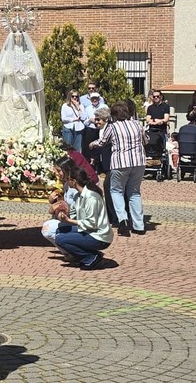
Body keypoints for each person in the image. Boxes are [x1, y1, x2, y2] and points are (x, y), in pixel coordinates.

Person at [92, 101, 147, 236]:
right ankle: (139, 225)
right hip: (138, 162)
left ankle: (123, 220)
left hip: (120, 163)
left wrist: (92, 144)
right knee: (134, 192)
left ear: (114, 115)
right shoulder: (137, 124)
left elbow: (103, 142)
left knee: (116, 191)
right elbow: (146, 140)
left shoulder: (113, 127)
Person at [50, 164, 115, 269]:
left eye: (69, 179)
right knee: (60, 231)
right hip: (90, 230)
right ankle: (87, 254)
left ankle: (91, 257)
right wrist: (62, 211)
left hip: (99, 236)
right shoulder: (79, 195)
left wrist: (68, 220)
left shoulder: (91, 197)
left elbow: (91, 223)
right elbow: (73, 213)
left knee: (60, 239)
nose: (67, 181)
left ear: (74, 181)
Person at [144, 90, 171, 162]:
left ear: (161, 97)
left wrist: (157, 121)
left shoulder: (165, 106)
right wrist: (157, 121)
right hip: (152, 131)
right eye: (154, 96)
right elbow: (147, 119)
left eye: (157, 96)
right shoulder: (150, 108)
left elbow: (166, 119)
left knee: (163, 149)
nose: (156, 98)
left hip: (162, 131)